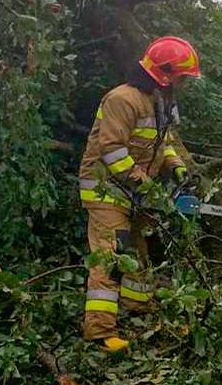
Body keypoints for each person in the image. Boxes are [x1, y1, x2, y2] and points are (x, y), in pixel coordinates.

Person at [78, 36, 200, 352]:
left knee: (138, 253)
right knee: (112, 256)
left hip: (132, 190)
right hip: (106, 190)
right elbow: (112, 150)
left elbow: (163, 141)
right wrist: (144, 184)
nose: (183, 83)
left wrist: (175, 167)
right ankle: (101, 333)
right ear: (164, 72)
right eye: (181, 76)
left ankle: (137, 310)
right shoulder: (122, 99)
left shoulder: (159, 101)